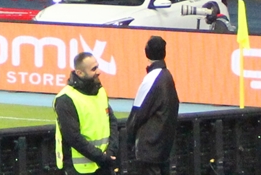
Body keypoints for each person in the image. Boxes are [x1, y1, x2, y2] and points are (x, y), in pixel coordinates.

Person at [122, 35, 179, 175]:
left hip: (149, 148)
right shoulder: (167, 76)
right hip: (162, 146)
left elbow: (137, 114)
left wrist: (127, 140)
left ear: (146, 52)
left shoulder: (152, 79)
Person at [53, 50, 115, 174]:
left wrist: (111, 151)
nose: (99, 71)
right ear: (79, 73)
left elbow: (112, 122)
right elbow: (73, 137)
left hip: (103, 164)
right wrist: (101, 157)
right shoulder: (65, 99)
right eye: (93, 69)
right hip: (79, 168)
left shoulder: (100, 92)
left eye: (97, 67)